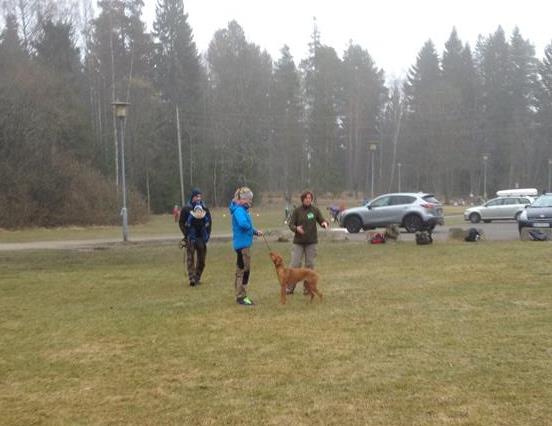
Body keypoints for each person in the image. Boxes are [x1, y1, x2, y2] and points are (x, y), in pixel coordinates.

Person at [287, 190, 329, 295]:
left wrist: (324, 223)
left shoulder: (315, 210)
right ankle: (289, 288)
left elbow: (321, 220)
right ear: (302, 199)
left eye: (310, 198)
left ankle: (307, 289)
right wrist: (296, 228)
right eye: (306, 198)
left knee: (309, 266)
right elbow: (291, 224)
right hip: (298, 242)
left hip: (311, 242)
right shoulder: (297, 211)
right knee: (295, 264)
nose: (308, 200)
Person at [229, 187, 263, 306]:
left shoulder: (240, 209)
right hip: (243, 246)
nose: (250, 202)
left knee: (242, 269)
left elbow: (245, 226)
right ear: (243, 199)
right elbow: (243, 224)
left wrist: (255, 231)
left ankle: (240, 294)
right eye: (249, 200)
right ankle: (241, 296)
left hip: (243, 245)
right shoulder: (239, 210)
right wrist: (250, 227)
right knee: (243, 270)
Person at [178, 188, 212, 286]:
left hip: (201, 237)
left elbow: (209, 222)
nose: (199, 198)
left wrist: (207, 235)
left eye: (200, 196)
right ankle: (192, 278)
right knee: (190, 258)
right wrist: (186, 234)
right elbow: (181, 223)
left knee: (202, 260)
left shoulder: (205, 209)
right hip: (191, 238)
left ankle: (197, 277)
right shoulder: (186, 209)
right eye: (197, 196)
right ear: (193, 197)